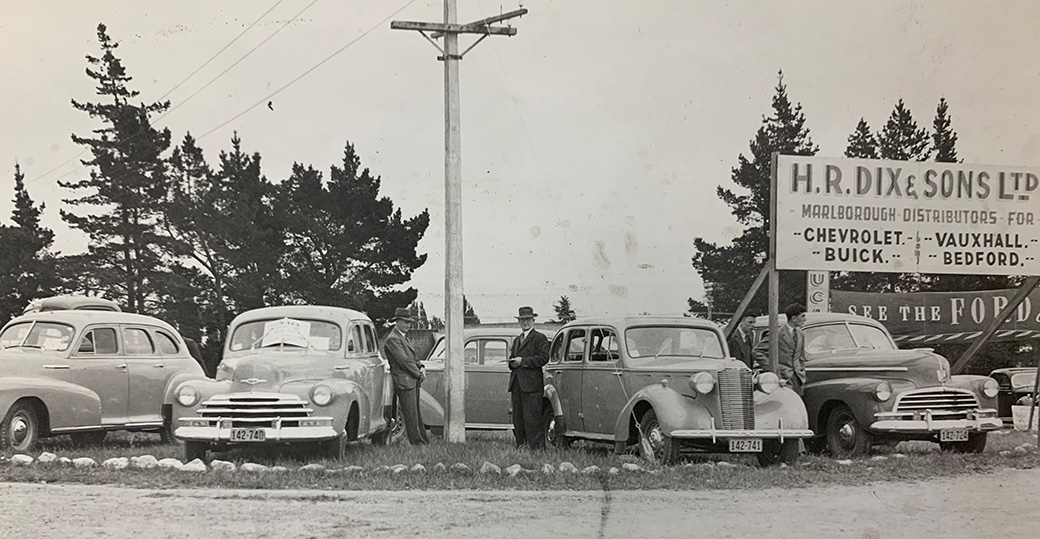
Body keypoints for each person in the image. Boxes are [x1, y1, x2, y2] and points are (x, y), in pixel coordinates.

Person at [381, 307, 428, 445]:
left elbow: (412, 358)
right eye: (405, 322)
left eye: (409, 322)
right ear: (397, 322)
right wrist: (418, 373)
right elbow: (404, 361)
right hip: (404, 381)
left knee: (415, 413)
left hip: (411, 380)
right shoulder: (393, 339)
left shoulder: (401, 337)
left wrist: (421, 367)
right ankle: (417, 442)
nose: (408, 325)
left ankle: (422, 441)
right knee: (410, 414)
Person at [507, 306, 550, 449]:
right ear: (519, 322)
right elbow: (512, 359)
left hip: (532, 386)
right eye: (522, 320)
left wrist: (523, 362)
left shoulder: (539, 338)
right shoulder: (517, 340)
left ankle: (537, 449)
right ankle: (522, 446)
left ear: (533, 320)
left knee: (532, 418)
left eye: (528, 319)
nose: (525, 322)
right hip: (517, 384)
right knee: (518, 419)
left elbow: (543, 358)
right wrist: (512, 362)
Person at [752, 304, 808, 395]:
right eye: (802, 316)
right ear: (793, 318)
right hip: (782, 378)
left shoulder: (800, 334)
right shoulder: (777, 333)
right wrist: (772, 368)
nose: (805, 319)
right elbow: (757, 351)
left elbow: (801, 356)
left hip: (798, 379)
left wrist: (801, 369)